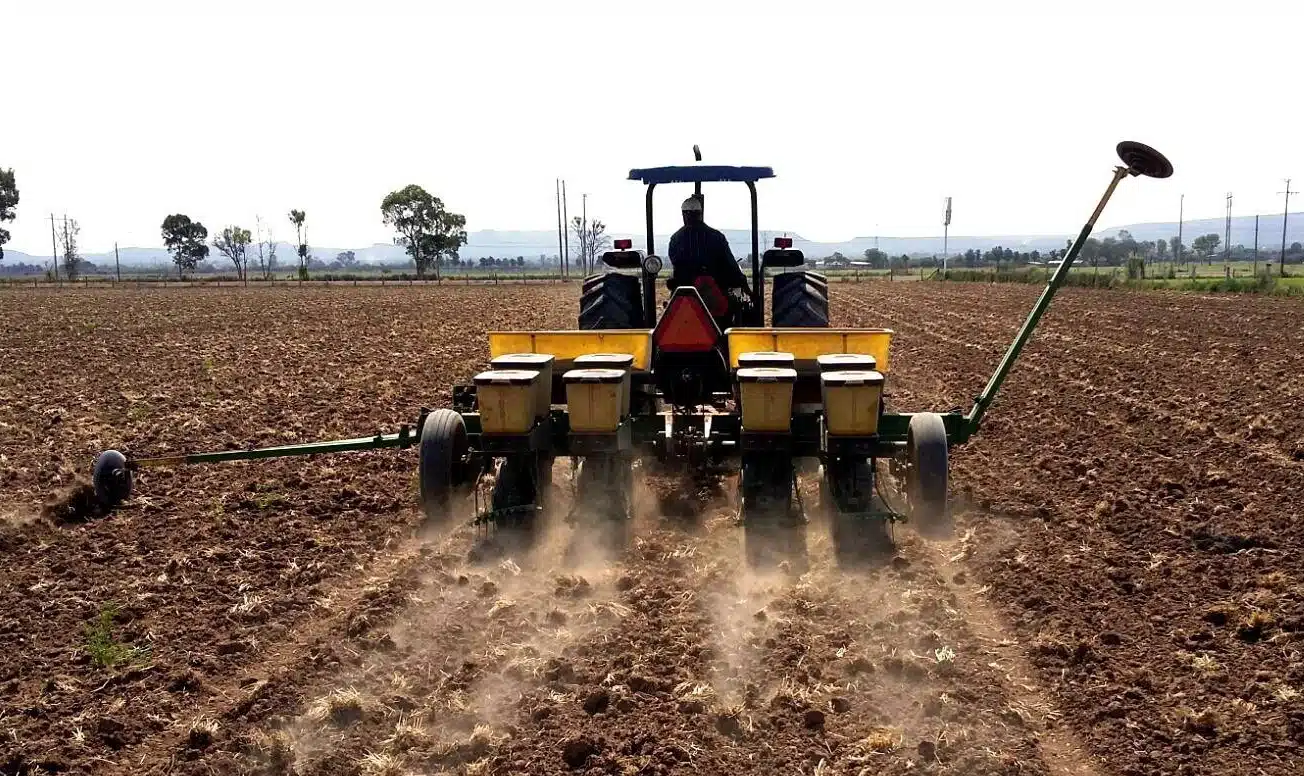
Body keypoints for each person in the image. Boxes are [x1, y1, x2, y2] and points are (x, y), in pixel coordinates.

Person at [666, 196, 753, 318]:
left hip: (685, 297)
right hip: (716, 297)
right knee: (738, 308)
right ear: (700, 214)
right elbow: (731, 265)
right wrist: (744, 285)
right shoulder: (717, 237)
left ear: (684, 215)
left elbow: (676, 263)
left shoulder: (676, 239)